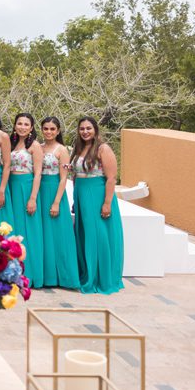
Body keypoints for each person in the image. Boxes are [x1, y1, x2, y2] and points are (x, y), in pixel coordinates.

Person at [72, 117, 124, 294]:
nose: (85, 131)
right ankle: (87, 273)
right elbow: (76, 174)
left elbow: (111, 178)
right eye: (82, 129)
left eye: (88, 128)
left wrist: (107, 203)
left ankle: (100, 278)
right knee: (85, 235)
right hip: (81, 195)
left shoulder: (103, 148)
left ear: (95, 129)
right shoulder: (79, 148)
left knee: (98, 236)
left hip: (97, 195)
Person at [38, 117, 79, 289]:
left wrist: (56, 202)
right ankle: (48, 276)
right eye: (46, 128)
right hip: (39, 192)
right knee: (44, 235)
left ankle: (65, 277)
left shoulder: (62, 150)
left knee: (58, 234)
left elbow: (64, 179)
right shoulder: (38, 147)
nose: (48, 132)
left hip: (55, 191)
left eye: (52, 129)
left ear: (58, 130)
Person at [7, 113, 44, 288]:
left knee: (28, 231)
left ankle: (31, 274)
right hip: (11, 187)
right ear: (15, 126)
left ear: (31, 128)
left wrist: (32, 198)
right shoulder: (12, 143)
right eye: (19, 123)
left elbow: (38, 173)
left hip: (26, 186)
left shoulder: (34, 146)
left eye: (26, 124)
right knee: (14, 229)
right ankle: (14, 272)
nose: (22, 127)